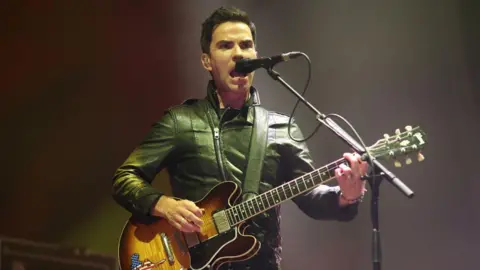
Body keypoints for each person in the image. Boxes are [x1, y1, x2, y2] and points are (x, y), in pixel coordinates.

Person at [112, 6, 367, 270]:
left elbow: (310, 197)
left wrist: (346, 196)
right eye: (225, 45)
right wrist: (162, 204)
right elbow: (124, 179)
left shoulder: (281, 127)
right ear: (207, 61)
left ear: (255, 55)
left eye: (246, 45)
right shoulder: (181, 122)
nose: (238, 53)